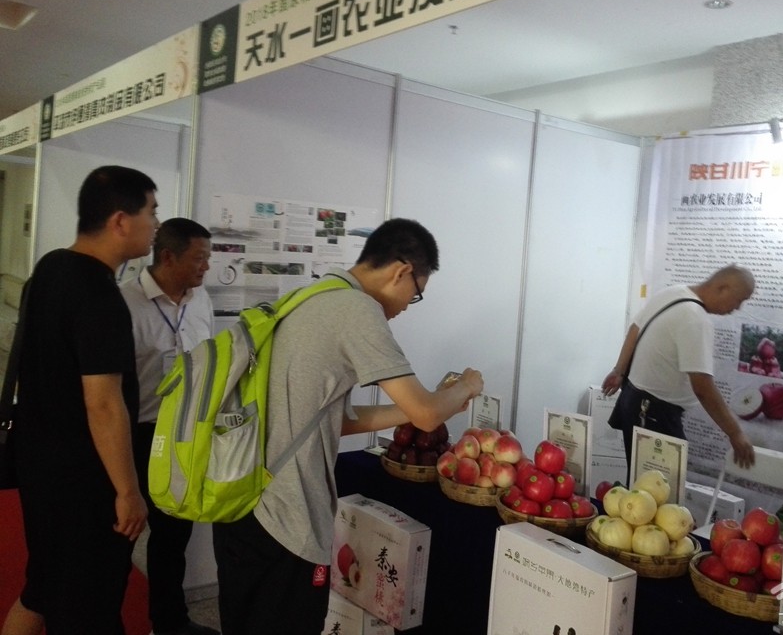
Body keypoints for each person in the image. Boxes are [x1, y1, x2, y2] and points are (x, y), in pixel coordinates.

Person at [211, 218, 484, 635]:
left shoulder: (312, 296)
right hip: (285, 517)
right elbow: (428, 414)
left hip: (242, 502)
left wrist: (419, 408)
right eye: (415, 294)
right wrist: (467, 385)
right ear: (402, 271)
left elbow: (336, 420)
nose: (407, 306)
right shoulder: (358, 309)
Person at [2, 166, 157, 635]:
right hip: (83, 482)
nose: (156, 224)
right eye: (151, 212)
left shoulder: (51, 267)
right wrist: (128, 492)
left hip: (40, 465)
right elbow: (103, 404)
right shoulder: (99, 294)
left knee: (42, 588)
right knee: (88, 606)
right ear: (120, 221)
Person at [120, 218, 218, 635]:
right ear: (168, 257)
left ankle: (170, 623)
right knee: (120, 534)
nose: (206, 267)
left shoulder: (201, 300)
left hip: (183, 434)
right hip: (135, 435)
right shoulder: (124, 302)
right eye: (199, 258)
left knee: (173, 536)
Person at [602, 264, 756, 471]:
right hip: (653, 412)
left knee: (644, 482)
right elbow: (702, 387)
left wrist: (619, 370)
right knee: (657, 485)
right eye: (739, 300)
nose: (737, 308)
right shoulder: (695, 319)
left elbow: (635, 328)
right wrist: (735, 433)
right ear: (723, 288)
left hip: (634, 400)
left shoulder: (673, 292)